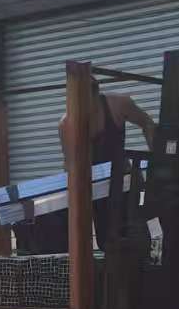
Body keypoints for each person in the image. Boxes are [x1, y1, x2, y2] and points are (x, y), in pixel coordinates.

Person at [59, 78, 155, 249]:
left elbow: (147, 123)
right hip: (97, 190)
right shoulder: (66, 124)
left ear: (96, 94)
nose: (80, 108)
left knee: (137, 237)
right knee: (108, 243)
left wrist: (158, 163)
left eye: (84, 101)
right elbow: (69, 165)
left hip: (125, 183)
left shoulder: (118, 105)